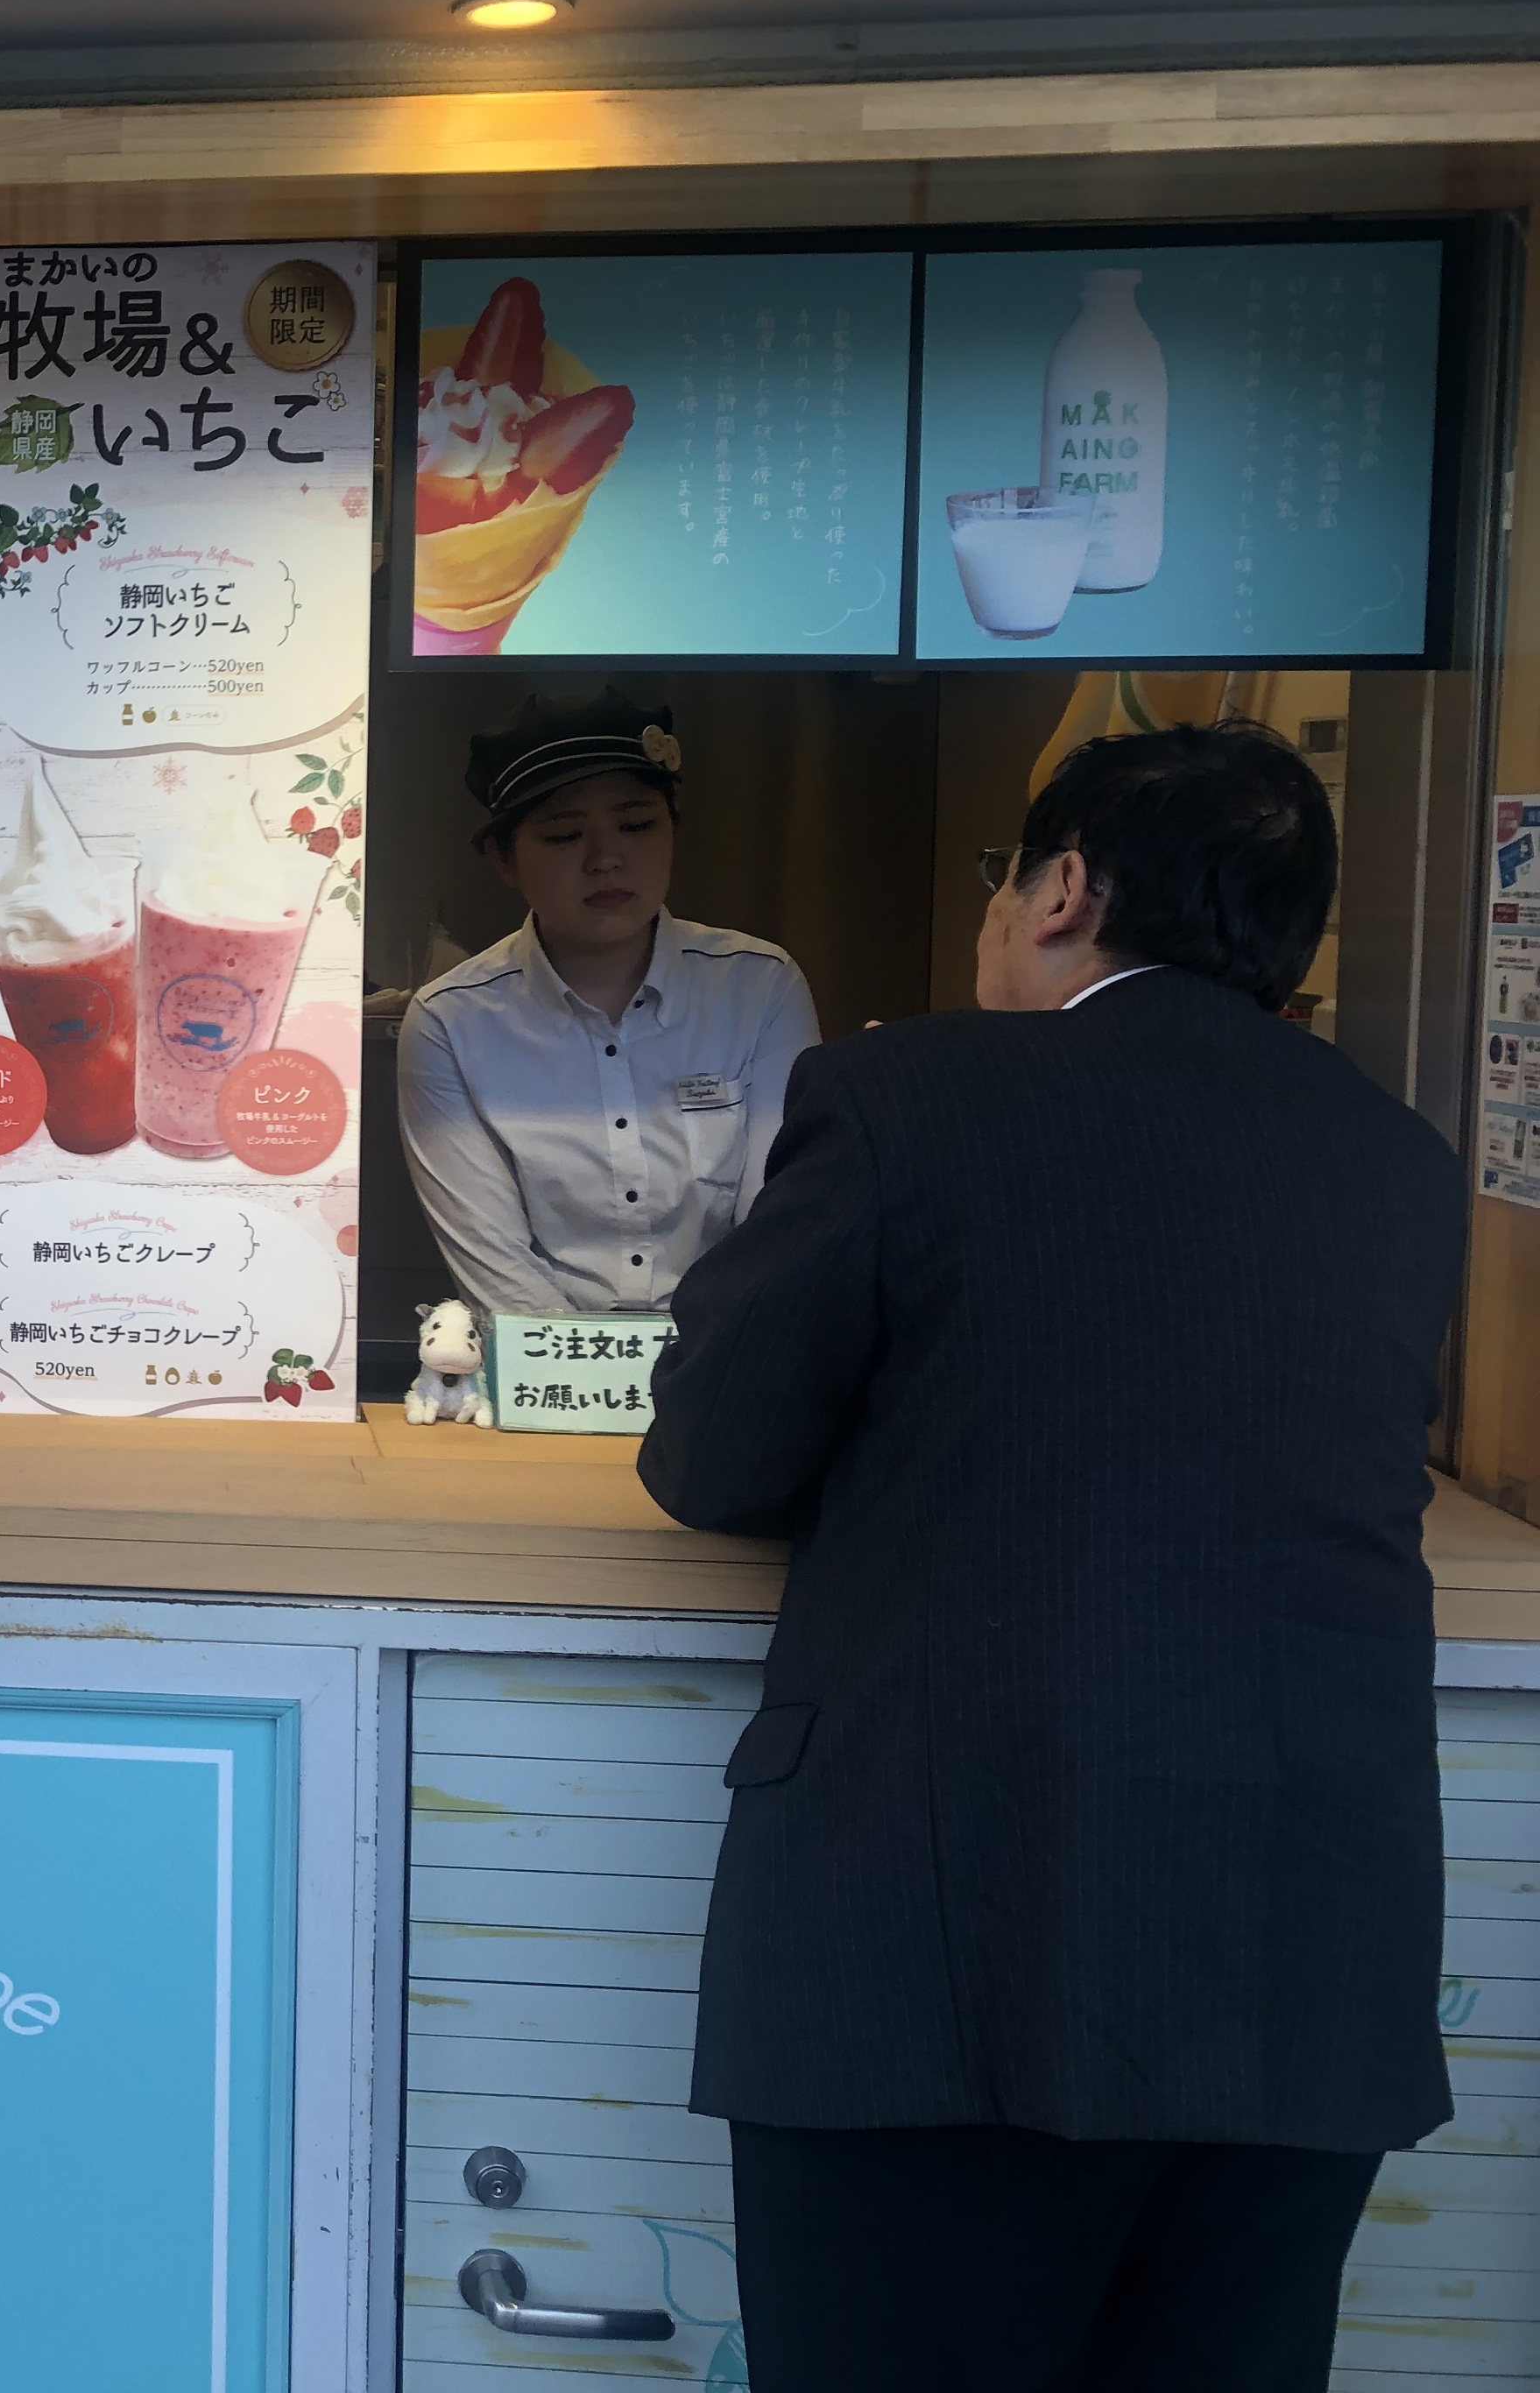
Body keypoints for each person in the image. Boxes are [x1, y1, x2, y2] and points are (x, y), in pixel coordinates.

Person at [640, 722, 1468, 2392]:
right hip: (1301, 1955)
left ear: (1064, 888)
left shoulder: (907, 1091)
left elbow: (711, 1454)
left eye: (1000, 875)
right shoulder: (1396, 1157)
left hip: (939, 1947)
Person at [398, 690, 819, 1316]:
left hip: (729, 1348)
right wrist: (580, 1367)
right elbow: (496, 1266)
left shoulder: (759, 987)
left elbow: (778, 1224)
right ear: (504, 859)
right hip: (544, 1360)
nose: (606, 859)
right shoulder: (448, 1023)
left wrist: (709, 1362)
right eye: (565, 835)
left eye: (637, 825)